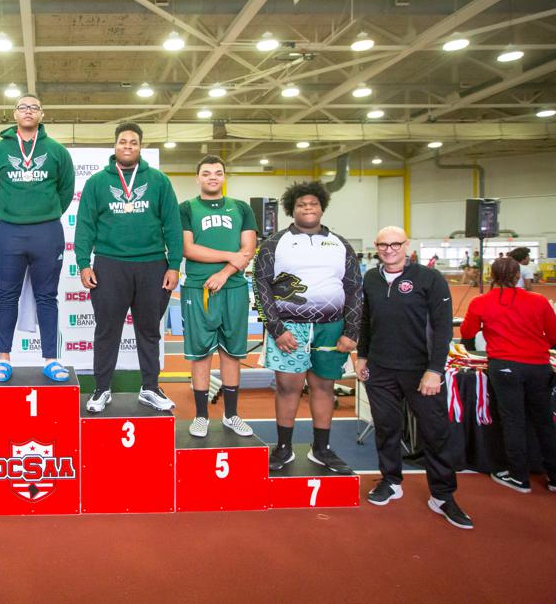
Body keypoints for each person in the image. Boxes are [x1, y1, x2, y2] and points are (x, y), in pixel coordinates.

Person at [357, 226, 472, 529]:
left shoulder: (429, 279)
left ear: (407, 245)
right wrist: (362, 356)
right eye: (383, 244)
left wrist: (434, 370)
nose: (389, 249)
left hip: (421, 371)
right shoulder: (370, 278)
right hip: (380, 370)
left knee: (435, 432)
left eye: (396, 244)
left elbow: (443, 327)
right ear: (376, 246)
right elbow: (366, 322)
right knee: (386, 427)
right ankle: (391, 481)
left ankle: (443, 494)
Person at [253, 181, 360, 474]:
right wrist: (276, 328)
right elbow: (260, 285)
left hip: (331, 326)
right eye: (301, 205)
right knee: (288, 387)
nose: (308, 208)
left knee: (323, 386)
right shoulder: (275, 243)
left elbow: (354, 288)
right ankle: (284, 448)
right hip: (289, 326)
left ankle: (321, 449)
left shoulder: (341, 244)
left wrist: (352, 331)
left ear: (322, 207)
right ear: (292, 210)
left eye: (313, 204)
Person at [74, 123, 182, 412]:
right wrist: (84, 263)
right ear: (115, 146)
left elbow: (172, 224)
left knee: (149, 330)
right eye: (123, 141)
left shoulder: (158, 181)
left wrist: (174, 265)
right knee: (107, 330)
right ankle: (101, 389)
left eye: (133, 142)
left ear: (140, 147)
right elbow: (85, 225)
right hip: (110, 264)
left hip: (152, 265)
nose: (128, 146)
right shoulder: (97, 182)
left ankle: (150, 387)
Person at [0, 95, 75, 382]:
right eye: (23, 107)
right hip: (8, 231)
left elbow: (66, 190)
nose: (28, 111)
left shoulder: (57, 151)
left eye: (33, 107)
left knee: (47, 296)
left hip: (46, 231)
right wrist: (10, 212)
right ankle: (3, 358)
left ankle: (50, 358)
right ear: (14, 114)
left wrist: (46, 212)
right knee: (6, 295)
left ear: (41, 114)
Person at [460, 257, 556, 494]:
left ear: (490, 277)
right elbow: (554, 336)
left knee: (513, 420)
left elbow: (467, 332)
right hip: (539, 365)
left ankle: (518, 476)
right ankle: (554, 476)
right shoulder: (539, 301)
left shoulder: (481, 301)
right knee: (544, 421)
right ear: (517, 276)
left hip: (504, 366)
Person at [178, 156, 257, 436]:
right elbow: (188, 248)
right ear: (197, 178)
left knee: (232, 353)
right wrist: (229, 256)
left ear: (224, 177)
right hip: (198, 287)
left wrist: (224, 273)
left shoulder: (241, 208)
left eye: (218, 173)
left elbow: (248, 249)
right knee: (200, 355)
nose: (212, 177)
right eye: (207, 173)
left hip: (233, 287)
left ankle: (231, 415)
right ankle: (201, 416)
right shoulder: (186, 208)